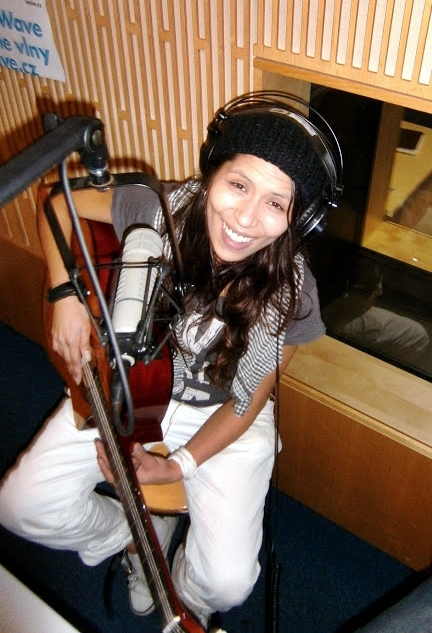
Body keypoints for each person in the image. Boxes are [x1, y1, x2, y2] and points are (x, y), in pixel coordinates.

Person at [0, 92, 340, 629]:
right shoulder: (155, 207)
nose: (246, 218)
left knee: (229, 582)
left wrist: (179, 464)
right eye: (238, 185)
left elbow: (249, 402)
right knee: (19, 507)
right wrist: (64, 293)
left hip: (224, 410)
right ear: (212, 173)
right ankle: (137, 539)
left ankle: (184, 596)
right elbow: (54, 199)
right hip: (137, 376)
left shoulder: (295, 293)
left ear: (299, 218)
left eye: (276, 204)